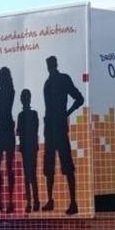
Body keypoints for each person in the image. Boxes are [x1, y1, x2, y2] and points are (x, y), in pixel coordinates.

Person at [42, 55, 84, 214]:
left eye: (50, 64)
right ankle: (51, 200)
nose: (50, 67)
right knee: (50, 165)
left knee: (65, 164)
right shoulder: (49, 82)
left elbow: (79, 98)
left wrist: (67, 112)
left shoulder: (60, 80)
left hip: (58, 127)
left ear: (53, 65)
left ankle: (73, 202)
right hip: (51, 128)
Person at [0, 67, 16, 213]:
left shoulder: (8, 92)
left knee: (8, 167)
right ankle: (1, 201)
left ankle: (10, 201)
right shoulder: (2, 92)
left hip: (5, 132)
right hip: (1, 133)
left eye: (0, 77)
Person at [17, 89, 40, 213]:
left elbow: (19, 131)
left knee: (29, 176)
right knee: (31, 175)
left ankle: (32, 202)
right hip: (30, 147)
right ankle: (33, 202)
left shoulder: (22, 115)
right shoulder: (33, 114)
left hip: (27, 148)